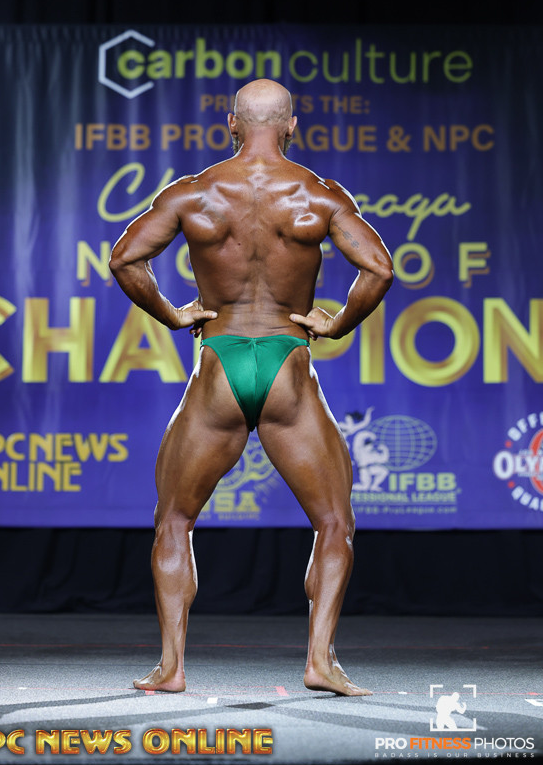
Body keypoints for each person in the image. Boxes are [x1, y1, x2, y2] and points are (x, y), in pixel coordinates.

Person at [109, 79, 393, 696]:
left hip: (219, 366)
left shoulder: (193, 193)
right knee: (334, 522)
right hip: (289, 367)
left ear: (231, 125)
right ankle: (320, 661)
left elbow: (125, 258)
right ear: (292, 126)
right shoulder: (318, 194)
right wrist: (338, 323)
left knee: (174, 520)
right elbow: (379, 268)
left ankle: (172, 667)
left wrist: (171, 314)